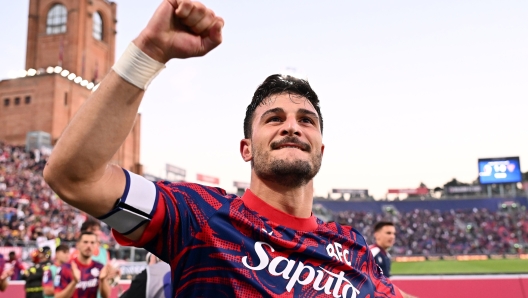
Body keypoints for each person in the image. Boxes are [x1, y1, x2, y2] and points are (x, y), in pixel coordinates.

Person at [43, 0, 405, 297]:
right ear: (246, 148)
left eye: (306, 120)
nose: (292, 126)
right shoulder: (198, 215)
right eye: (274, 119)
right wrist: (149, 53)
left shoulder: (354, 251)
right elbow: (74, 177)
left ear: (320, 151)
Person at [54, 231, 113, 298]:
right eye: (85, 242)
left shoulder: (99, 267)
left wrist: (103, 280)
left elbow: (106, 296)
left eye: (92, 243)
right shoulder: (65, 268)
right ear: (78, 245)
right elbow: (57, 296)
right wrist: (74, 282)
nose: (89, 245)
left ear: (96, 245)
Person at [370, 222, 417, 298]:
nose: (392, 236)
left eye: (394, 234)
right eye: (388, 233)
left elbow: (386, 286)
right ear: (377, 235)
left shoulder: (387, 256)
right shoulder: (371, 253)